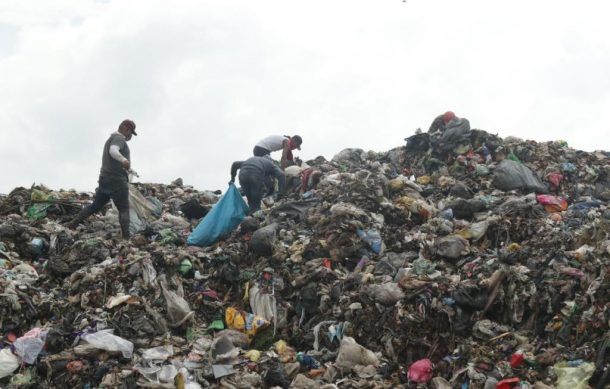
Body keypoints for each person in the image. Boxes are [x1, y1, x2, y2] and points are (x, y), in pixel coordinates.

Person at [66, 119, 137, 239]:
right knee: (124, 209)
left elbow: (112, 158)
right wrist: (124, 160)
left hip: (105, 179)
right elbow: (113, 151)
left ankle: (73, 224)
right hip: (117, 181)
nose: (131, 136)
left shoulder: (110, 139)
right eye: (131, 132)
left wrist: (129, 170)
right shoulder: (119, 138)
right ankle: (126, 239)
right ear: (126, 129)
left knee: (95, 206)